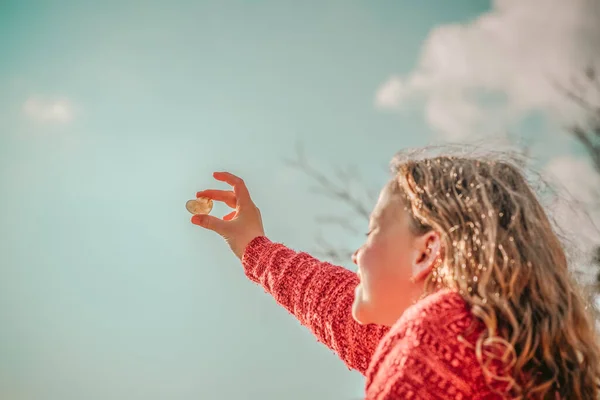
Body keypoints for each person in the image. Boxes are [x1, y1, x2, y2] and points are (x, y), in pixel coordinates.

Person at [190, 149, 600, 399]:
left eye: (371, 233)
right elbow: (334, 302)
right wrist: (254, 248)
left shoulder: (436, 336)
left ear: (426, 252)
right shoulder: (488, 351)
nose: (357, 254)